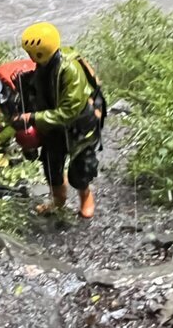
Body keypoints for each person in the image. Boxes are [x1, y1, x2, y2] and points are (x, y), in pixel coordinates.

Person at [12, 22, 106, 219]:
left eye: (32, 52)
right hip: (53, 123)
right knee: (50, 162)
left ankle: (85, 195)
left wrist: (32, 118)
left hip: (79, 124)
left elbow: (69, 110)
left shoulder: (69, 69)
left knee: (81, 168)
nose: (29, 56)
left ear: (41, 51)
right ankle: (58, 198)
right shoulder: (43, 65)